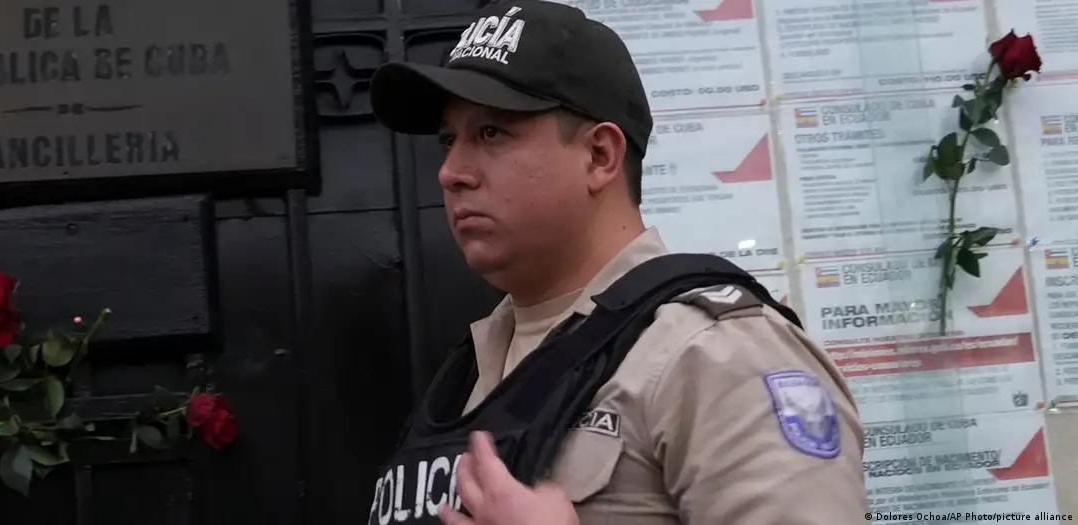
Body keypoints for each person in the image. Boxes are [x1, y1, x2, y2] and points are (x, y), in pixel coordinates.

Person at [364, 1, 870, 523]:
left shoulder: (713, 354)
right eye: (449, 140)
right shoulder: (472, 367)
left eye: (491, 133)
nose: (451, 172)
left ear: (600, 156)